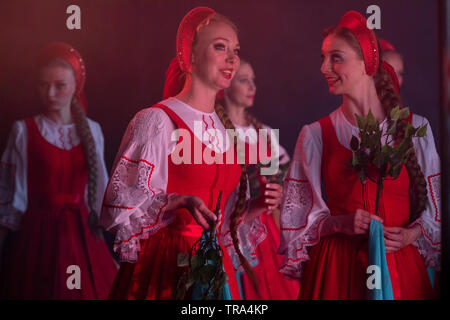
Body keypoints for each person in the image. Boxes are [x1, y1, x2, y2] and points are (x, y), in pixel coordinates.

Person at [100, 7, 268, 300]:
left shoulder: (226, 130)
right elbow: (119, 207)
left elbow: (219, 218)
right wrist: (177, 201)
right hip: (167, 264)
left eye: (236, 50)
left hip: (214, 268)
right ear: (190, 55)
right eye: (220, 47)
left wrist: (255, 206)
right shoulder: (156, 120)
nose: (233, 59)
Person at [279, 11, 440, 299]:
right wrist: (338, 223)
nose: (324, 67)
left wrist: (412, 234)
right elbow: (297, 219)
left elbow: (438, 208)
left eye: (335, 57)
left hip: (397, 265)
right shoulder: (315, 134)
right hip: (337, 269)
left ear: (367, 61)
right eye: (323, 57)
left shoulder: (416, 128)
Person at [0, 42, 118, 299]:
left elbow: (99, 194)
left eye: (59, 85)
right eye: (43, 85)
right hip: (37, 238)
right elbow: (11, 196)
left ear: (76, 86)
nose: (50, 93)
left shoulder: (92, 130)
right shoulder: (24, 131)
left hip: (82, 235)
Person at [219, 59, 300, 299]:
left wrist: (278, 193)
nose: (252, 86)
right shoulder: (216, 131)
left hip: (265, 233)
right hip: (232, 229)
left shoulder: (263, 133)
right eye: (243, 80)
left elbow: (277, 183)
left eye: (253, 80)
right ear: (225, 85)